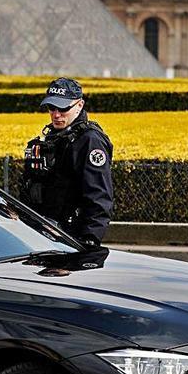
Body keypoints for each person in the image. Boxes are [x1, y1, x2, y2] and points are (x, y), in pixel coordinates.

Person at [19, 77, 114, 247]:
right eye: (51, 107)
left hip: (70, 238)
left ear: (80, 105)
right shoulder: (54, 136)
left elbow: (99, 198)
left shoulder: (90, 140)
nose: (56, 114)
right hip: (43, 233)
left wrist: (88, 242)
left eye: (63, 108)